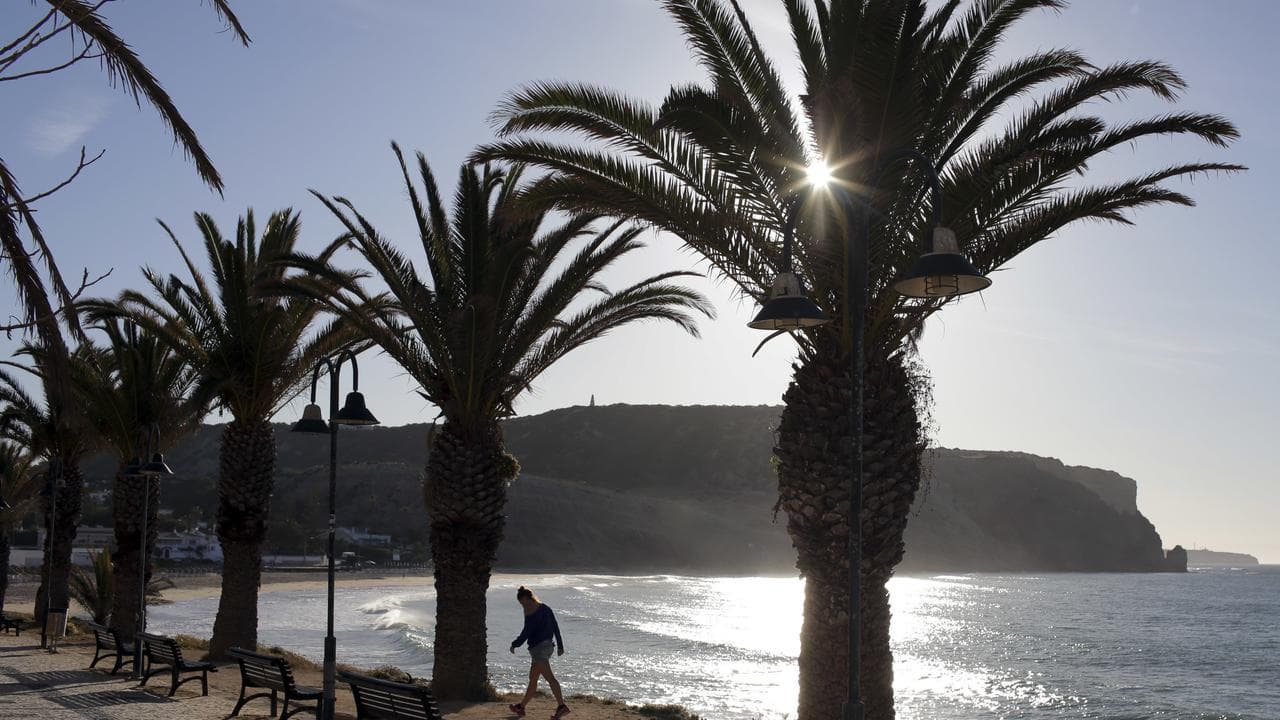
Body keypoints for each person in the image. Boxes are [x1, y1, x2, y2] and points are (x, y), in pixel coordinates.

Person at [508, 586, 569, 719]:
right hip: (547, 647)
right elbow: (555, 627)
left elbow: (526, 632)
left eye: (522, 602)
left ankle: (562, 706)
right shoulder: (545, 608)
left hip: (539, 650)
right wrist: (560, 646)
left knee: (550, 678)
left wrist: (515, 644)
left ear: (526, 598)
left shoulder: (529, 611)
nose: (522, 605)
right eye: (521, 603)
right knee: (533, 680)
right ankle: (521, 707)